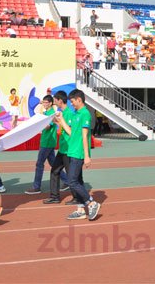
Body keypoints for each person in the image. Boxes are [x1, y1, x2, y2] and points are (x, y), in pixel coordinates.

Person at [55, 89, 101, 220]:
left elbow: (85, 136)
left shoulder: (85, 114)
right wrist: (61, 120)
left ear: (79, 100)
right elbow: (70, 132)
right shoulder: (75, 114)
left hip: (79, 152)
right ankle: (81, 209)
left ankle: (91, 203)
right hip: (72, 151)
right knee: (78, 180)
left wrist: (87, 156)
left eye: (73, 101)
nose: (72, 104)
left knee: (72, 181)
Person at [43, 91, 72, 204]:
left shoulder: (69, 113)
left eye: (55, 100)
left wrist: (59, 121)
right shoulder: (61, 112)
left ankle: (78, 197)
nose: (54, 102)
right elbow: (59, 123)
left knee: (72, 176)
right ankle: (54, 196)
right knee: (54, 171)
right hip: (62, 149)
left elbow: (69, 130)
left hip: (68, 150)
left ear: (60, 100)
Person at [25, 95, 58, 195]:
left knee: (39, 164)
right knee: (54, 164)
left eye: (45, 102)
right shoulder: (45, 113)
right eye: (43, 102)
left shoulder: (52, 114)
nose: (43, 104)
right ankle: (67, 181)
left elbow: (48, 126)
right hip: (46, 141)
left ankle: (36, 187)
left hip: (47, 142)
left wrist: (38, 123)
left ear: (50, 103)